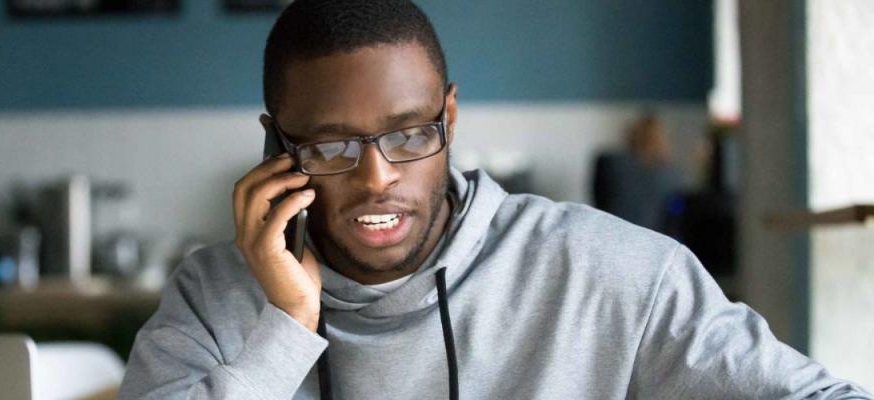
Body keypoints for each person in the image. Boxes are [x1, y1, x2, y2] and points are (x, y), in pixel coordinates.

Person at [118, 1, 871, 399]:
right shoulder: (216, 298)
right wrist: (284, 327)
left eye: (408, 134)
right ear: (276, 147)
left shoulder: (608, 274)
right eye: (330, 147)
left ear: (448, 119)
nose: (378, 177)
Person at [592, 113, 683, 232]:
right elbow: (674, 217)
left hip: (612, 235)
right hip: (652, 241)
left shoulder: (609, 163)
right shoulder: (673, 175)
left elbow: (599, 202)